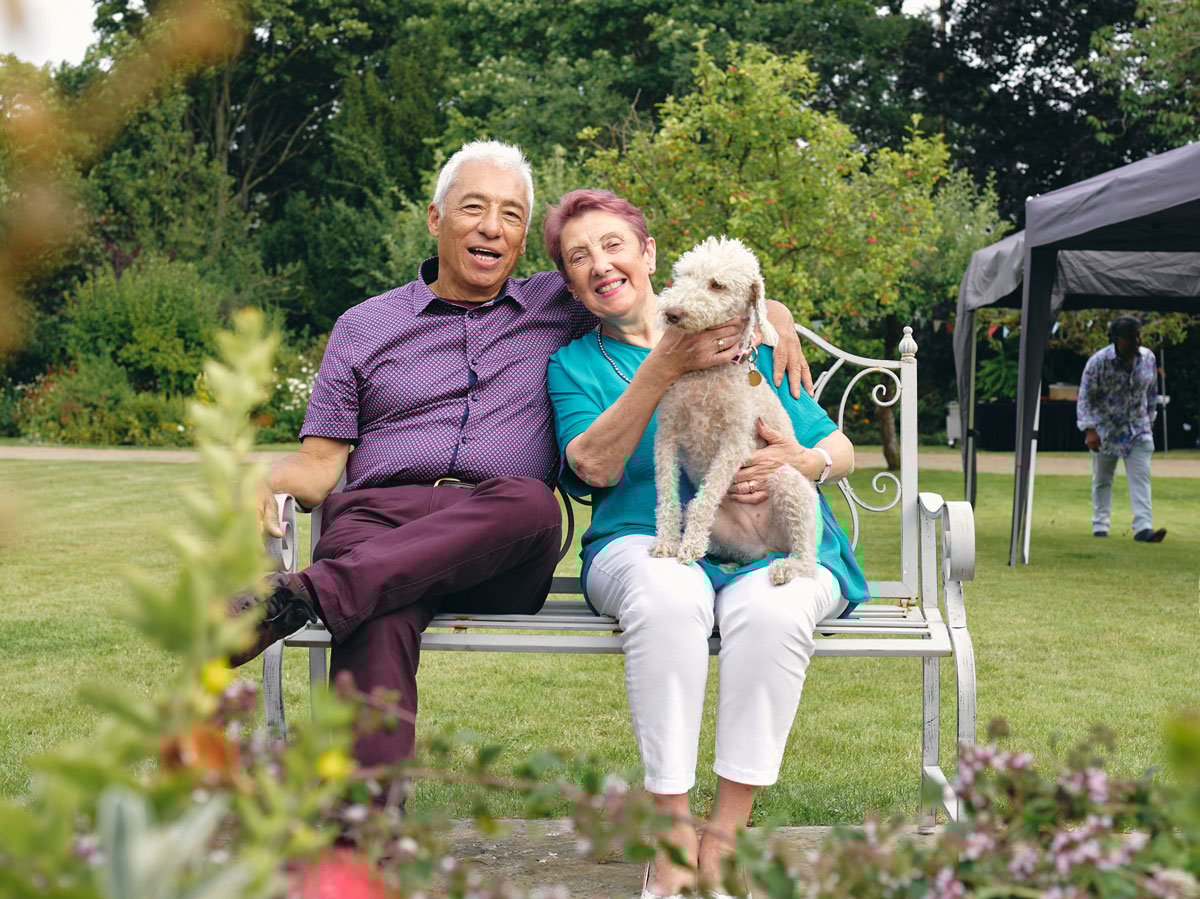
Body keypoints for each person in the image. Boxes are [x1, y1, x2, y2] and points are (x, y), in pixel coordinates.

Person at [227, 141, 811, 774]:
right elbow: (319, 468)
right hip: (379, 522)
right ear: (435, 218)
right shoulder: (363, 326)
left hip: (500, 538)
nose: (491, 227)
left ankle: (301, 595)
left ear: (524, 236)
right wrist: (264, 476)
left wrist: (770, 309)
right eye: (473, 208)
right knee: (376, 608)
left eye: (510, 215)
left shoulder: (555, 303)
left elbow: (652, 286)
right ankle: (359, 847)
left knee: (532, 504)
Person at [543, 189, 868, 897]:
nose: (601, 264)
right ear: (569, 285)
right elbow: (591, 465)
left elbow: (837, 445)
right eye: (579, 257)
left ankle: (723, 837)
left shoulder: (747, 339)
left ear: (649, 252)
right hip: (643, 539)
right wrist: (665, 363)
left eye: (613, 245)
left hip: (765, 538)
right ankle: (670, 838)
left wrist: (805, 462)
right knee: (668, 589)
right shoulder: (574, 366)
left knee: (776, 610)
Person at [1077, 315, 1165, 543]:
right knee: (1103, 479)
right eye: (1131, 336)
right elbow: (1085, 397)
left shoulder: (1147, 358)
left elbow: (1152, 392)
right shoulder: (1099, 362)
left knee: (1141, 478)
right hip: (1105, 431)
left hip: (1138, 429)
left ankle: (1144, 529)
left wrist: (1151, 419)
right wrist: (1089, 430)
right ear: (1117, 339)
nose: (1137, 340)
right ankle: (1100, 525)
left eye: (1138, 334)